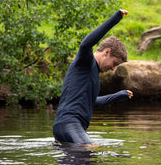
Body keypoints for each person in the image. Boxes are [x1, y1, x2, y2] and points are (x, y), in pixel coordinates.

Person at [53, 9, 134, 145]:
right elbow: (85, 44)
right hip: (70, 124)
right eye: (114, 63)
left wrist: (119, 95)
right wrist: (115, 19)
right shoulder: (86, 61)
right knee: (90, 150)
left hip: (68, 127)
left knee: (83, 162)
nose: (113, 68)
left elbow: (92, 102)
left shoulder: (93, 74)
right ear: (107, 52)